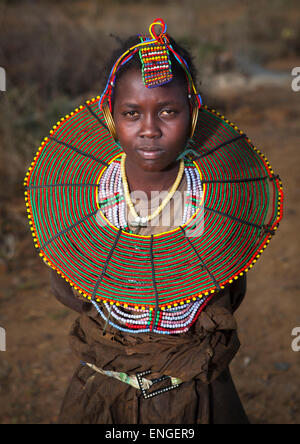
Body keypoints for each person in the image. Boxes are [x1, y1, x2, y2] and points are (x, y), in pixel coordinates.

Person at [47, 19, 250, 424]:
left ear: (193, 115)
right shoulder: (88, 206)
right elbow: (67, 288)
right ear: (110, 117)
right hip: (106, 388)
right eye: (131, 112)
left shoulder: (214, 207)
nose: (150, 129)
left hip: (195, 390)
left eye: (169, 111)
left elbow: (232, 287)